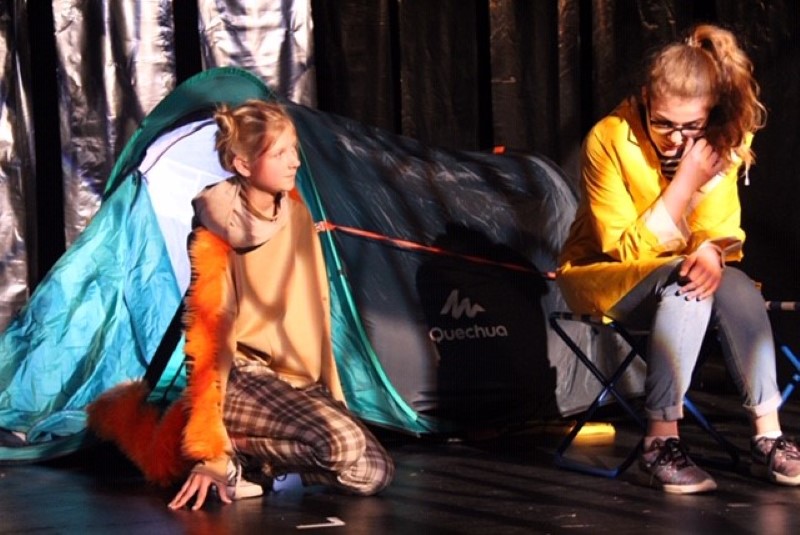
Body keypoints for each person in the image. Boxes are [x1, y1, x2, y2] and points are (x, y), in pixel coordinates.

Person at [89, 99, 394, 510]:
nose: (295, 161)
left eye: (294, 149)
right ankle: (230, 450)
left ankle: (253, 460)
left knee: (373, 472)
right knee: (343, 444)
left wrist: (331, 395)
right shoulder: (216, 228)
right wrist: (211, 447)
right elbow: (208, 334)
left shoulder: (298, 216)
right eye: (280, 153)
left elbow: (316, 315)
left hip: (291, 380)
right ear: (243, 164)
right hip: (242, 377)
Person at [556, 24, 800, 494]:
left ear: (710, 113)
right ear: (646, 99)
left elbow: (719, 228)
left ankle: (767, 436)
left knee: (734, 284)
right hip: (605, 275)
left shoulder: (722, 140)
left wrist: (711, 249)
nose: (675, 138)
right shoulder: (609, 138)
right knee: (685, 283)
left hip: (681, 276)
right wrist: (686, 181)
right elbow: (624, 248)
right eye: (663, 123)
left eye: (691, 126)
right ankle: (659, 442)